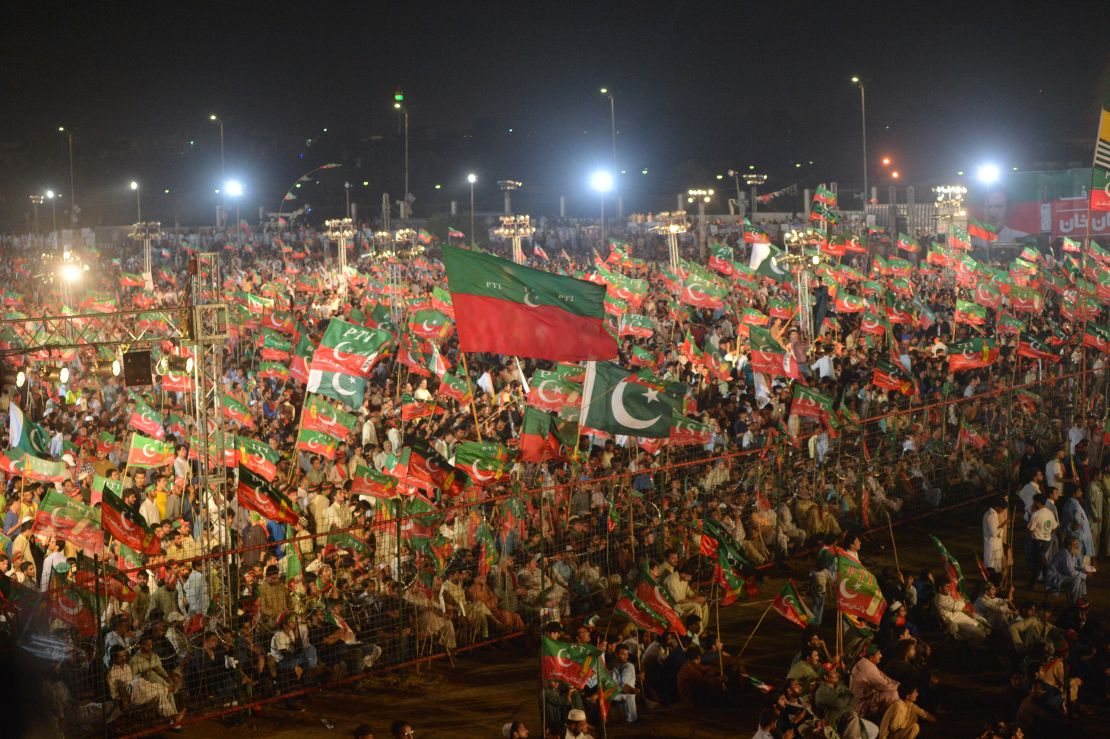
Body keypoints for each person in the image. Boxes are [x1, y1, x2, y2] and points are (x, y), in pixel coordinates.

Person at [850, 645, 899, 719]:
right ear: (871, 657)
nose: (881, 656)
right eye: (878, 654)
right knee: (893, 694)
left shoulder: (866, 662)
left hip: (865, 698)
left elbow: (884, 677)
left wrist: (895, 683)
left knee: (892, 691)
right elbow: (884, 685)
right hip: (860, 705)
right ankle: (888, 721)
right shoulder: (867, 668)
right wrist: (898, 686)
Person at [1045, 536, 1087, 602]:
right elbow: (1071, 572)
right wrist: (1084, 575)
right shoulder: (1065, 554)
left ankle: (1079, 599)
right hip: (1054, 578)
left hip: (1062, 575)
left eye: (1077, 544)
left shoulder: (1071, 553)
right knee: (1077, 579)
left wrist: (1083, 570)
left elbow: (1074, 567)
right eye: (1075, 544)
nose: (1078, 546)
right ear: (1069, 546)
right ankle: (1075, 603)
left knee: (1080, 577)